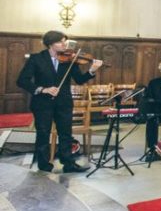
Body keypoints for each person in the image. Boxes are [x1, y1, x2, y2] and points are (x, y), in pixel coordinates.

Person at [16, 30, 102, 172]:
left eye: (65, 41)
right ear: (50, 44)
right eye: (60, 42)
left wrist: (91, 70)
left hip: (63, 102)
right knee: (43, 134)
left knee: (66, 134)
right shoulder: (36, 59)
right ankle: (44, 165)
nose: (64, 44)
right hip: (42, 103)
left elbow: (79, 80)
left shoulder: (69, 59)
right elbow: (22, 81)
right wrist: (43, 89)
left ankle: (68, 164)